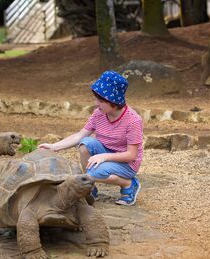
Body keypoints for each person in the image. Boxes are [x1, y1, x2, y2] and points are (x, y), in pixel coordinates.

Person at [39, 70, 144, 206]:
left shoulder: (133, 120)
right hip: (106, 153)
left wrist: (104, 157)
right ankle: (90, 186)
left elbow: (131, 155)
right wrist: (54, 147)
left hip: (126, 163)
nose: (96, 103)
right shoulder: (98, 113)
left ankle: (129, 183)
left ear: (113, 101)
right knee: (85, 143)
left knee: (94, 173)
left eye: (100, 101)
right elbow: (80, 135)